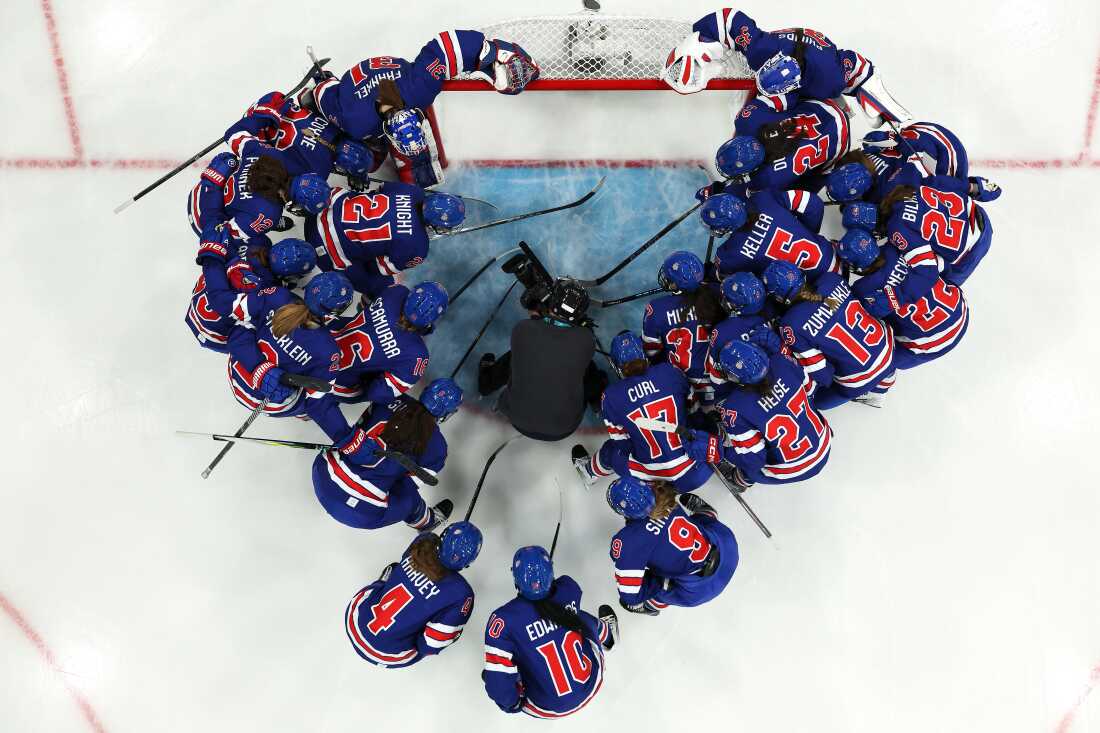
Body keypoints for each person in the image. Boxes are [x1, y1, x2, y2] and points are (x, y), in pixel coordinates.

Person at [307, 30, 538, 186]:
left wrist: (493, 53)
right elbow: (324, 97)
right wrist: (324, 82)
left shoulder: (418, 88)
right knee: (367, 160)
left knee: (379, 157)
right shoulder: (355, 121)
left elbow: (443, 46)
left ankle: (419, 180)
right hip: (368, 89)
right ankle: (416, 180)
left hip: (390, 82)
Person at [665, 10, 912, 130]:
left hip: (818, 55)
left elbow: (860, 69)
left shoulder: (829, 78)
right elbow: (729, 18)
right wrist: (701, 42)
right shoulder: (761, 50)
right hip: (798, 50)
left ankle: (869, 93)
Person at [482, 547, 618, 719]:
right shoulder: (569, 588)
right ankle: (608, 636)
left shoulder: (505, 620)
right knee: (578, 618)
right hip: (592, 682)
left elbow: (499, 689)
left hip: (545, 707)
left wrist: (512, 703)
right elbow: (557, 596)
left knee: (497, 668)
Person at [479, 258, 605, 441]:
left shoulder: (522, 330)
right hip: (562, 427)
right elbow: (571, 334)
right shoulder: (586, 340)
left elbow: (538, 324)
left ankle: (487, 383)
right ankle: (598, 402)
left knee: (522, 355)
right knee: (589, 370)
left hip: (516, 417)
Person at [310, 378, 462, 530]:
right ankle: (424, 521)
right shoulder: (439, 449)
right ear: (447, 414)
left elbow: (357, 433)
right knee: (408, 498)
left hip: (323, 474)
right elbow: (403, 489)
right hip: (362, 513)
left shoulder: (392, 397)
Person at [310, 281, 447, 443]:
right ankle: (316, 401)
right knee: (364, 388)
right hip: (336, 382)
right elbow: (378, 394)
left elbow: (365, 300)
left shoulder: (396, 292)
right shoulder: (417, 355)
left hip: (320, 344)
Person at [574, 331, 711, 492]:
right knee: (703, 423)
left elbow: (623, 445)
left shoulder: (610, 396)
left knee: (611, 449)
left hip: (652, 480)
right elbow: (696, 415)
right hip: (697, 472)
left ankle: (589, 472)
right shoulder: (671, 371)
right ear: (643, 355)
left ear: (616, 365)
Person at [690, 340, 832, 490]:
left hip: (795, 468)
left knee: (752, 467)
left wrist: (721, 451)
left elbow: (754, 462)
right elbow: (810, 390)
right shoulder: (781, 360)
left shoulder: (734, 407)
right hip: (823, 439)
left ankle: (741, 480)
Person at [762, 259, 896, 409]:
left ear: (779, 297)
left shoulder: (790, 325)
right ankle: (886, 377)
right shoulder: (831, 279)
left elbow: (822, 375)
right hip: (888, 349)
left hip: (858, 380)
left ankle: (868, 389)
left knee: (819, 401)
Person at [345, 522, 481, 668]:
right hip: (387, 654)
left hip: (355, 621)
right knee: (443, 631)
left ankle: (387, 583)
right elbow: (430, 645)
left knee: (396, 570)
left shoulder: (425, 540)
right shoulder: (462, 594)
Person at [307, 180, 465, 298]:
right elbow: (376, 268)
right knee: (384, 286)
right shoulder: (418, 248)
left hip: (318, 209)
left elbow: (377, 191)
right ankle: (367, 308)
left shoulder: (413, 192)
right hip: (320, 245)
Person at [606, 477, 739, 616]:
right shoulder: (662, 491)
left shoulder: (629, 541)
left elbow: (630, 596)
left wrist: (658, 581)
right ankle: (707, 513)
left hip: (699, 589)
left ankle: (652, 606)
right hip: (727, 549)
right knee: (699, 525)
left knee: (643, 596)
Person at [840, 229, 970, 369]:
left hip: (934, 342)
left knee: (880, 366)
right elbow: (942, 267)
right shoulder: (898, 246)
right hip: (960, 309)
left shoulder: (862, 289)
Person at [187, 236, 316, 353]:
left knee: (222, 268)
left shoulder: (256, 244)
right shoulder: (273, 291)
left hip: (198, 302)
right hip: (215, 336)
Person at [710, 94, 852, 193]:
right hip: (824, 107)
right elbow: (788, 94)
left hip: (842, 142)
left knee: (805, 185)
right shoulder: (747, 119)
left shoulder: (767, 180)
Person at [224, 91, 375, 181]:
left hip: (269, 102)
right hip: (257, 133)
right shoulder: (320, 170)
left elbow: (305, 95)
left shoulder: (339, 126)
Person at [641, 251, 725, 408]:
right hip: (721, 384)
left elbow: (651, 353)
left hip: (682, 388)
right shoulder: (718, 291)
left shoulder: (657, 308)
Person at [879, 176, 995, 288]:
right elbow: (944, 182)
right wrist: (972, 186)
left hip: (973, 248)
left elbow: (926, 266)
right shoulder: (919, 186)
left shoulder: (898, 227)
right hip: (978, 213)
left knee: (932, 280)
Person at [702, 190, 840, 281]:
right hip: (838, 256)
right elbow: (813, 204)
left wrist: (708, 273)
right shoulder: (763, 199)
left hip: (820, 286)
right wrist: (808, 233)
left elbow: (719, 279)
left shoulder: (729, 255)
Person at [704, 272, 772, 402]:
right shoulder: (765, 318)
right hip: (770, 382)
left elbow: (717, 380)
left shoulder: (721, 331)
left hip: (739, 394)